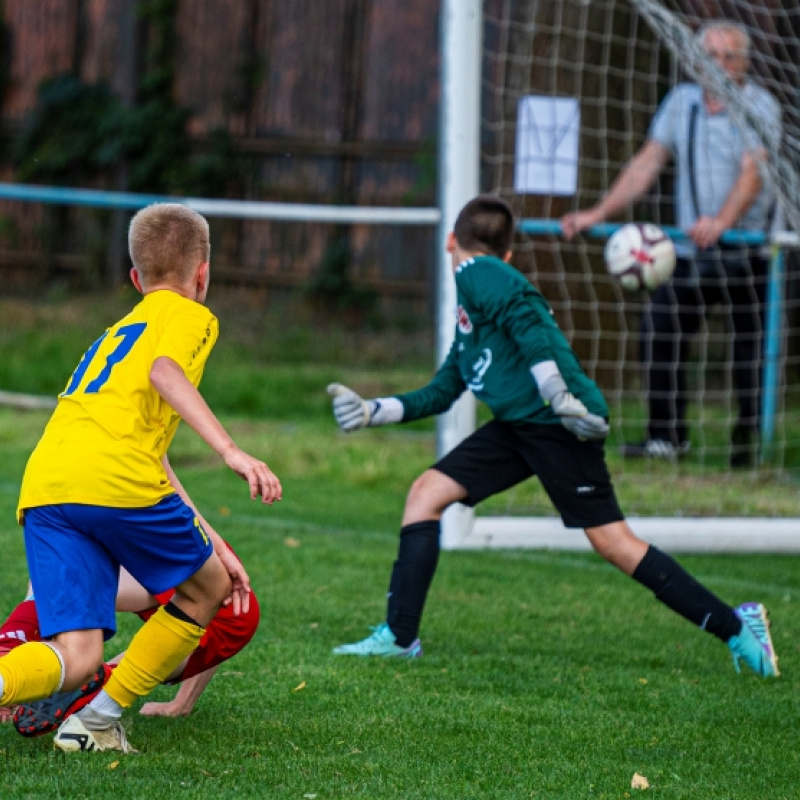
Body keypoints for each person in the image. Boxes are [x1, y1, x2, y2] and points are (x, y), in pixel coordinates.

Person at [326, 193, 778, 678]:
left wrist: (557, 394)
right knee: (426, 493)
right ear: (510, 252)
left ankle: (737, 625)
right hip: (521, 427)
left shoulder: (478, 273)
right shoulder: (473, 312)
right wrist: (374, 410)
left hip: (559, 425)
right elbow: (443, 390)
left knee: (614, 543)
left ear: (451, 240)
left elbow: (529, 319)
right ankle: (399, 637)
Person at [0, 202, 282, 754]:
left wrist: (215, 541)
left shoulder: (116, 331)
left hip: (47, 484)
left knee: (75, 657)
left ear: (135, 278)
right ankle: (99, 722)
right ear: (203, 273)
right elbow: (165, 372)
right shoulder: (191, 316)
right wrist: (230, 450)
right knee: (208, 591)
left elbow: (153, 451)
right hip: (115, 479)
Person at [561, 20, 781, 468]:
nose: (719, 65)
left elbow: (753, 172)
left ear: (745, 63)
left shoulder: (761, 105)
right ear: (695, 61)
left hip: (750, 251)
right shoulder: (681, 104)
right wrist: (598, 213)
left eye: (729, 57)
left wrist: (721, 221)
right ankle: (666, 437)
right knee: (659, 329)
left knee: (750, 353)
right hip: (691, 253)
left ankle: (747, 447)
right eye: (711, 56)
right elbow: (648, 162)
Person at [1, 547, 260, 735]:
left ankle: (21, 661)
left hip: (218, 608)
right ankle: (87, 683)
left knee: (59, 586)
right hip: (229, 610)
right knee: (57, 581)